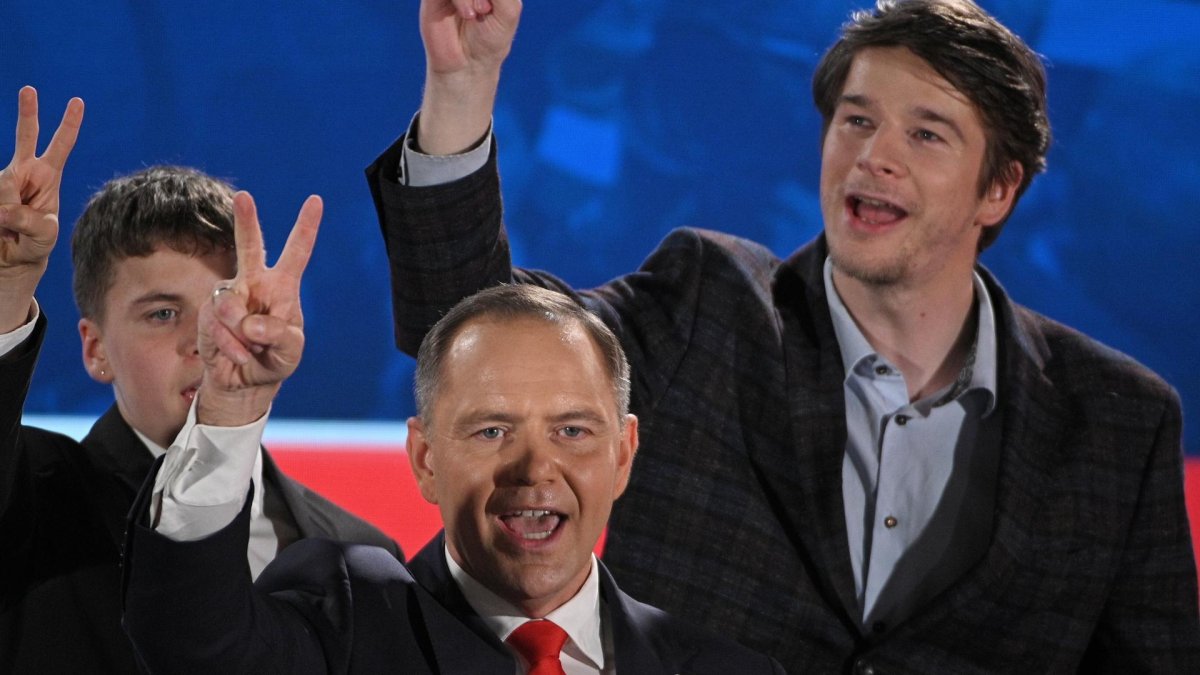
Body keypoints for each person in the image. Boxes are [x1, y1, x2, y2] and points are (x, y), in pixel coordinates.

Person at [367, 0, 1200, 671]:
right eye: (857, 120)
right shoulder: (709, 304)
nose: (874, 157)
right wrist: (464, 84)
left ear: (999, 188)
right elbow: (471, 331)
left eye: (926, 133)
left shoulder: (1118, 418)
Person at [122, 279, 786, 672]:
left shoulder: (724, 668)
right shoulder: (350, 622)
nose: (534, 468)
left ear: (623, 453)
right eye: (493, 430)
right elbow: (194, 647)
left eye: (573, 430)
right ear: (426, 459)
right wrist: (231, 408)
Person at [0, 90, 400, 673]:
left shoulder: (362, 553)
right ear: (95, 349)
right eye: (162, 313)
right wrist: (8, 285)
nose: (204, 340)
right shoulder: (30, 500)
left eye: (222, 305)